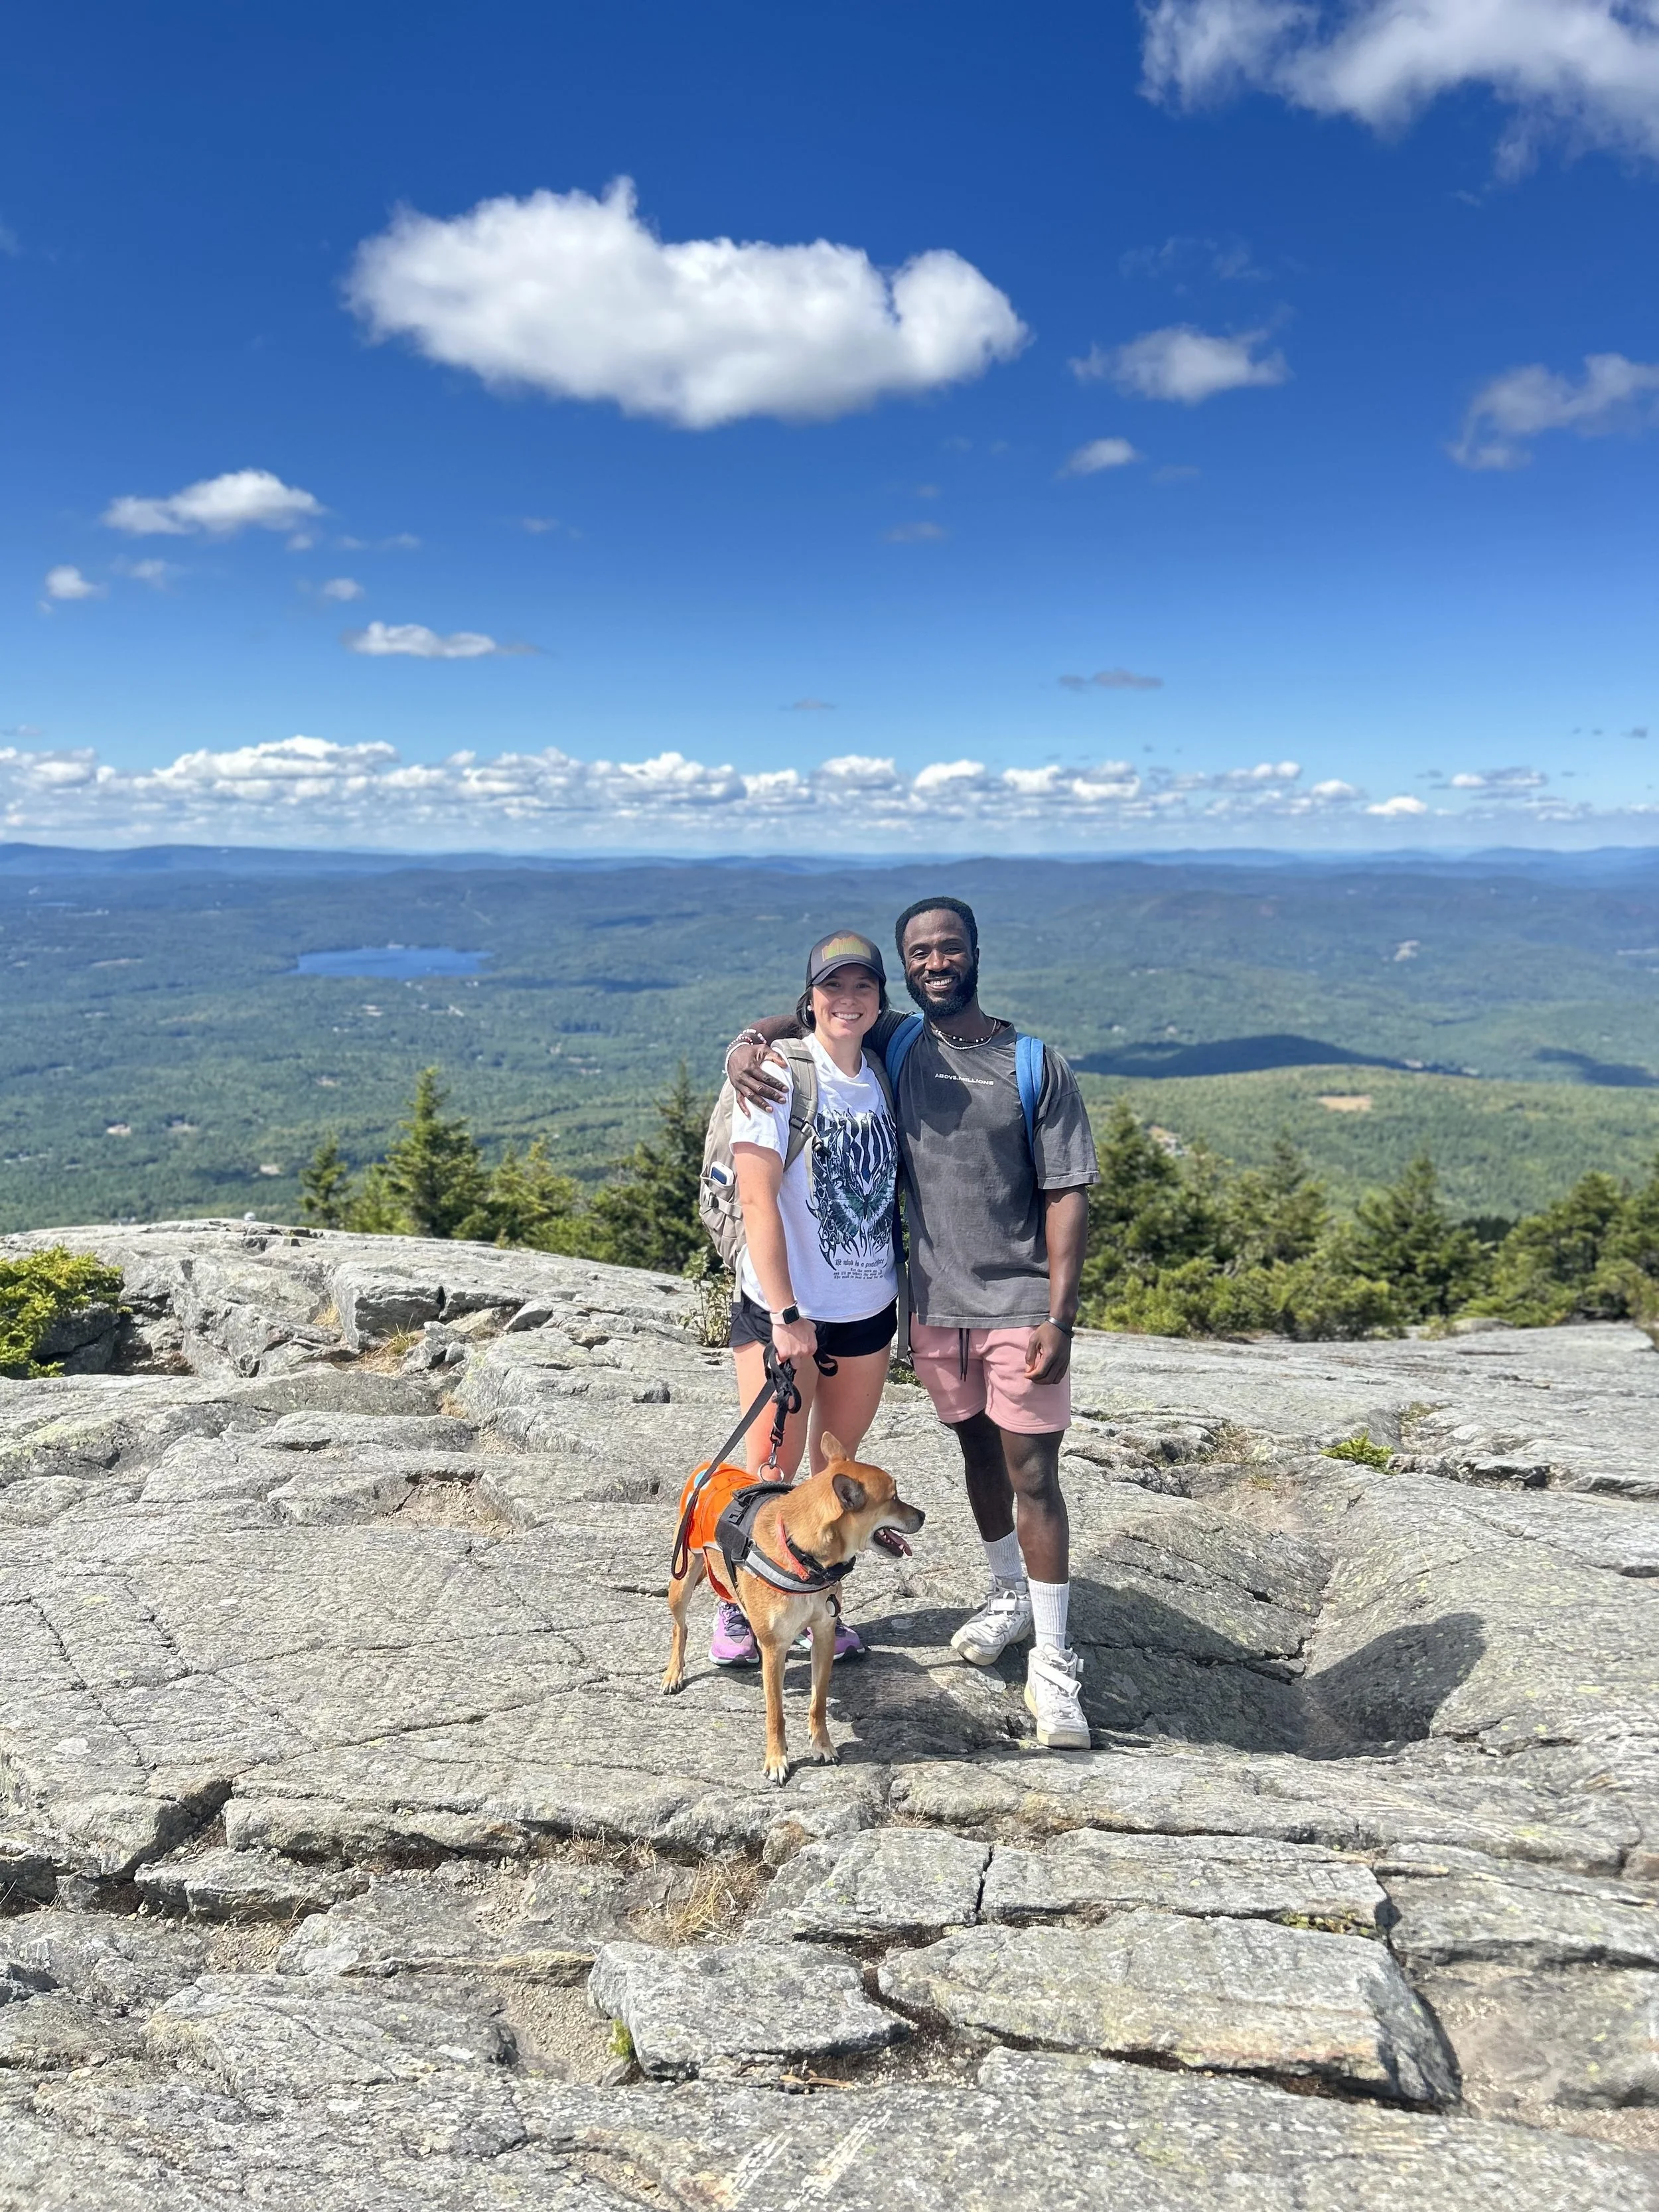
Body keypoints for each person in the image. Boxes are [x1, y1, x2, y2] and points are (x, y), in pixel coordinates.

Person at [724, 896, 1097, 1748]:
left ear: (974, 953)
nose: (937, 962)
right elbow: (821, 1009)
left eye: (949, 948)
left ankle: (1054, 1662)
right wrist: (747, 1040)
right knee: (966, 1453)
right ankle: (1003, 1596)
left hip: (1008, 1304)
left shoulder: (1033, 1064)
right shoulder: (894, 1040)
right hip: (928, 1308)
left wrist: (1061, 1315)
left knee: (1032, 1470)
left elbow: (1068, 1192)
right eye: (920, 952)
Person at [709, 928, 901, 1670]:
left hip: (866, 1314)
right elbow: (756, 1200)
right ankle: (738, 1609)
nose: (847, 1000)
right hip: (785, 1315)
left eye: (862, 987)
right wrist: (786, 1313)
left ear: (880, 998)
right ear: (810, 997)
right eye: (832, 987)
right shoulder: (776, 1078)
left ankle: (823, 1607)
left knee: (838, 1478)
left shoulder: (883, 1070)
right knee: (767, 1477)